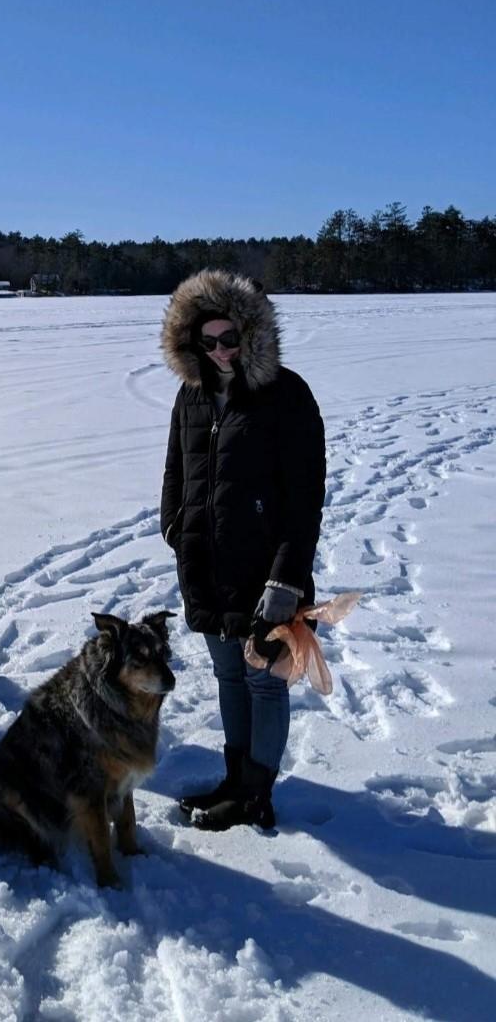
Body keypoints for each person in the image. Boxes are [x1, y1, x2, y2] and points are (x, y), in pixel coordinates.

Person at [159, 270, 325, 831]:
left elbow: (305, 498)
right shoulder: (192, 394)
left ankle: (257, 795)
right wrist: (174, 526)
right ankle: (235, 781)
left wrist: (286, 580)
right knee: (230, 676)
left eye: (230, 339)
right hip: (207, 562)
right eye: (208, 342)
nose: (221, 352)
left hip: (265, 570)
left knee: (262, 680)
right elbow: (176, 468)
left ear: (251, 336)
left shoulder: (286, 395)